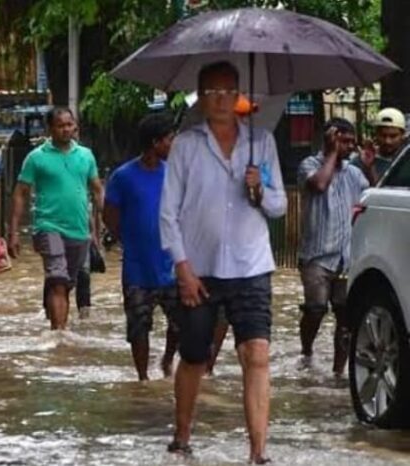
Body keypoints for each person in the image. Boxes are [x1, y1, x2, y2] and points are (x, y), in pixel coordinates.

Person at [160, 62, 286, 464]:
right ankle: (182, 435)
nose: (220, 99)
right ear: (201, 97)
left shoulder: (261, 142)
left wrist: (259, 190)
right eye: (211, 91)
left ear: (238, 97)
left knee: (257, 354)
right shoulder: (186, 145)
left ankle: (258, 452)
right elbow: (168, 213)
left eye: (227, 91)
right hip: (201, 269)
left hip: (251, 265)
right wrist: (182, 268)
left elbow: (279, 205)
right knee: (195, 354)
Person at [9, 108, 103, 331]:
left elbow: (97, 190)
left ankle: (56, 325)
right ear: (49, 129)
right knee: (59, 281)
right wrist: (12, 232)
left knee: (65, 284)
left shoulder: (86, 155)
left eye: (69, 124)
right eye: (61, 125)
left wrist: (104, 225)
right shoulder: (36, 158)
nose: (66, 129)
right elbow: (20, 192)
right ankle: (59, 336)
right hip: (47, 226)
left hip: (79, 230)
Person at [103, 113, 180, 381]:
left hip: (171, 262)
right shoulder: (123, 177)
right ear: (155, 142)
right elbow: (109, 215)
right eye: (170, 139)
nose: (174, 144)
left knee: (181, 322)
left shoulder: (172, 173)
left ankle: (168, 359)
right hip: (137, 267)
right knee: (138, 326)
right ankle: (142, 378)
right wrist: (127, 239)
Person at [297, 117, 371, 378]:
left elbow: (372, 195)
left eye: (351, 142)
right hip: (317, 255)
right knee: (316, 309)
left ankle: (339, 371)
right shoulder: (309, 164)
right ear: (329, 138)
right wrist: (331, 154)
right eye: (343, 140)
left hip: (347, 256)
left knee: (345, 316)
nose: (348, 147)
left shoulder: (354, 172)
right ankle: (306, 352)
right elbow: (318, 184)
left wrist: (369, 167)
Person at [352, 107, 405, 184]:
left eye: (393, 136)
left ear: (403, 135)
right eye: (383, 136)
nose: (387, 141)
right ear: (376, 135)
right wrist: (369, 167)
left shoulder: (406, 161)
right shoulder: (360, 161)